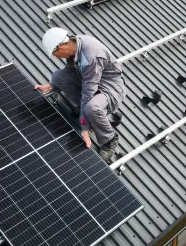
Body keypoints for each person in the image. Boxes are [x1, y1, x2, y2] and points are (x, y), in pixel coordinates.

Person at [35, 28, 126, 161]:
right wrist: (51, 85)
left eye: (55, 54)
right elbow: (70, 70)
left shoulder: (91, 57)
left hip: (110, 89)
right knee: (58, 76)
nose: (57, 57)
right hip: (91, 81)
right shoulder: (75, 45)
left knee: (91, 108)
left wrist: (84, 127)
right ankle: (89, 115)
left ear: (60, 48)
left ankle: (110, 138)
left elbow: (88, 93)